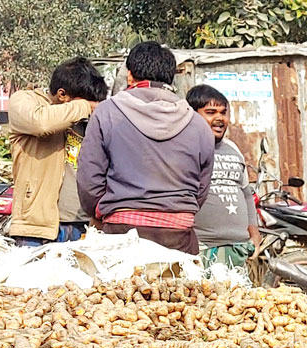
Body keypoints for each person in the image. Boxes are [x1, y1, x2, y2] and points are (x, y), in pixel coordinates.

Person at [77, 41, 216, 254]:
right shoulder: (198, 124)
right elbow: (201, 188)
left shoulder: (106, 113)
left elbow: (89, 179)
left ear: (130, 75)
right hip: (179, 237)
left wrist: (99, 211)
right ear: (171, 76)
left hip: (120, 234)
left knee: (119, 289)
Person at [6, 57, 106, 247]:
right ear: (62, 94)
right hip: (37, 229)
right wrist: (85, 107)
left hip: (84, 226)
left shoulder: (87, 118)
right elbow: (40, 122)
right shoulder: (25, 101)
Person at [188, 83, 261, 270]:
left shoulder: (233, 148)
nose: (219, 118)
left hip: (239, 248)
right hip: (204, 248)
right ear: (193, 115)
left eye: (223, 112)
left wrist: (254, 234)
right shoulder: (187, 149)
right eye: (211, 112)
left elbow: (246, 194)